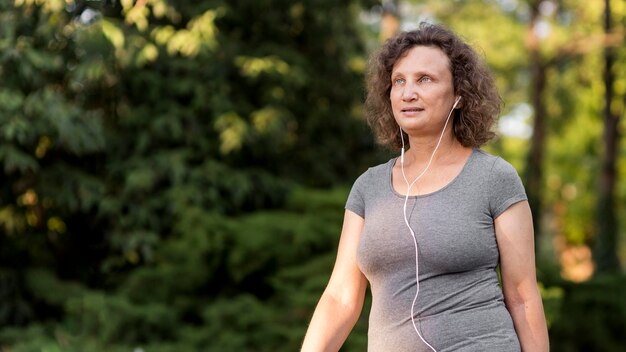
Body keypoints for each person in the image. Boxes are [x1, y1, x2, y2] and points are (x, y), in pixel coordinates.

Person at [301, 23, 549, 352]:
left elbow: (522, 296)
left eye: (424, 80)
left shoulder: (494, 178)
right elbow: (340, 297)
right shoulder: (368, 188)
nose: (407, 93)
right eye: (398, 81)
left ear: (460, 95)